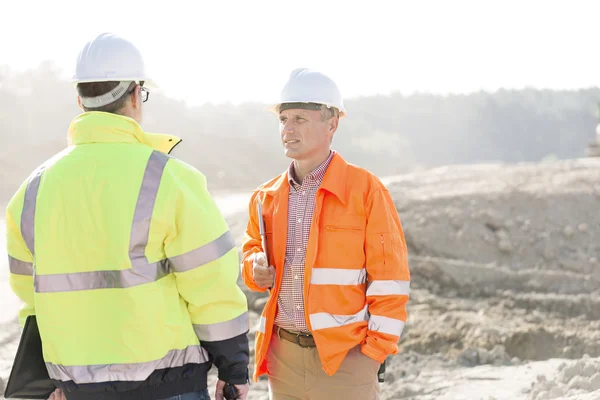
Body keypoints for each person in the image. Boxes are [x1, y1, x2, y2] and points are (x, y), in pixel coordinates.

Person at [6, 32, 250, 400]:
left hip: (76, 389)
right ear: (137, 94)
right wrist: (233, 369)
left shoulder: (32, 191)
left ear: (80, 99)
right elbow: (210, 286)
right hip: (168, 384)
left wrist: (50, 378)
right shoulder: (169, 178)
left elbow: (32, 300)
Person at [240, 68, 411, 400]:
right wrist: (253, 267)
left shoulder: (365, 190)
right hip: (284, 358)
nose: (288, 129)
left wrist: (373, 354)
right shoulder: (266, 197)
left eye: (300, 119)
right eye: (284, 119)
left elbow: (391, 279)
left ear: (332, 124)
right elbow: (250, 253)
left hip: (346, 359)